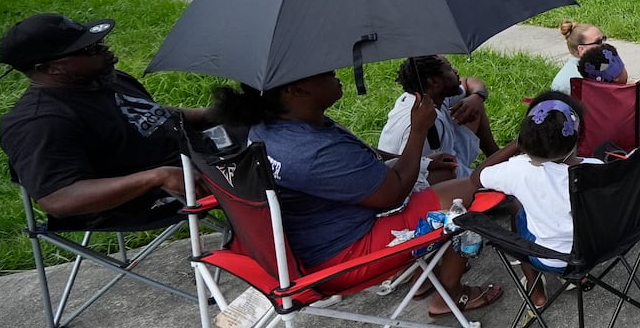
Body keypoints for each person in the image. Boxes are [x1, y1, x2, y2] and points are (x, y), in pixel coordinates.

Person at [211, 72, 501, 315]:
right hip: (343, 255)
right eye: (323, 72)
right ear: (295, 89)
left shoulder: (276, 126)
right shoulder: (311, 151)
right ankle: (450, 293)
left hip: (310, 237)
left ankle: (422, 276)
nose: (334, 70)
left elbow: (361, 159)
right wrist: (418, 131)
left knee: (439, 173)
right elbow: (393, 194)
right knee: (472, 191)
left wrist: (422, 161)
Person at [0, 13, 206, 227]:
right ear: (49, 68)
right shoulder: (39, 123)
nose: (104, 49)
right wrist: (157, 177)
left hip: (193, 159)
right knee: (243, 178)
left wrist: (215, 114)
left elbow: (147, 113)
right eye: (91, 49)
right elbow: (59, 199)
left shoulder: (103, 80)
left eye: (99, 42)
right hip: (140, 201)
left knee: (241, 133)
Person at [471, 92, 598, 313]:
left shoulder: (519, 169)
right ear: (578, 135)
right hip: (598, 249)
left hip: (552, 259)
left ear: (526, 138)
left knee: (516, 209)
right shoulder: (596, 167)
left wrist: (515, 145)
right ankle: (578, 278)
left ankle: (536, 288)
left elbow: (477, 177)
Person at [379, 55, 502, 185]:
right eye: (449, 68)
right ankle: (500, 166)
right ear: (434, 82)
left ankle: (497, 157)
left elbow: (468, 81)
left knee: (473, 107)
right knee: (495, 183)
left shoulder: (427, 96)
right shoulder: (423, 124)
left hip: (446, 155)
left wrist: (477, 97)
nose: (456, 71)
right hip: (427, 178)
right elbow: (415, 174)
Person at [550, 19, 607, 92]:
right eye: (598, 42)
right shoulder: (564, 82)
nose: (604, 44)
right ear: (581, 49)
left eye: (603, 39)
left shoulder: (604, 62)